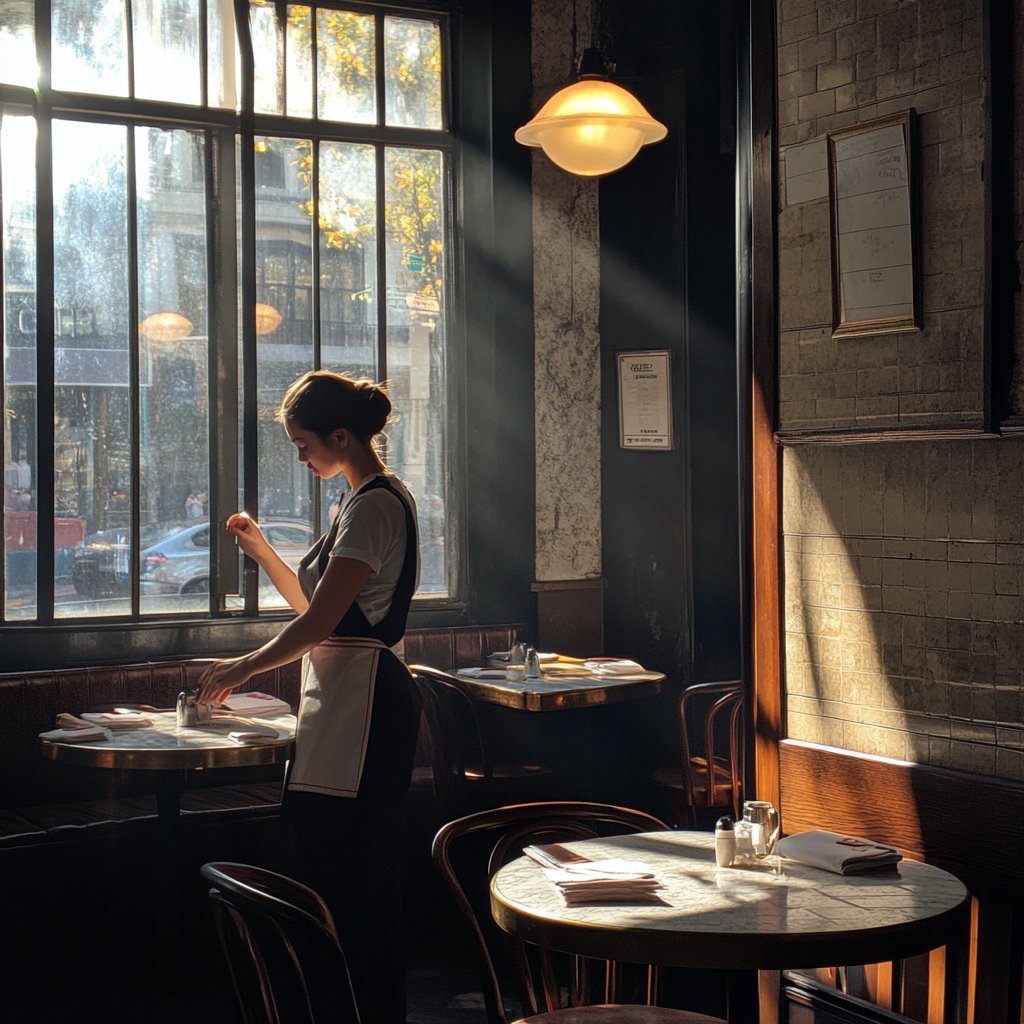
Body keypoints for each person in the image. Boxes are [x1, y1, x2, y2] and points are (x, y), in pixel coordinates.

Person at [197, 369, 421, 1022]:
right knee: (323, 861)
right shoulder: (355, 502)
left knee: (356, 871)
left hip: (371, 708)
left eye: (304, 444)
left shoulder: (378, 504)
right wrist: (262, 549)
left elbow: (321, 624)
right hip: (343, 704)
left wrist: (241, 667)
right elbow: (314, 608)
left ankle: (365, 1010)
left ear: (342, 436)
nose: (300, 456)